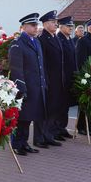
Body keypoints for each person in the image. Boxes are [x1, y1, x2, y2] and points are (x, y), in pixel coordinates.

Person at [9, 13, 46, 156]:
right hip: (25, 87)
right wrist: (21, 88)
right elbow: (16, 68)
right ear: (24, 27)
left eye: (36, 25)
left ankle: (24, 143)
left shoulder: (36, 42)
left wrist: (43, 83)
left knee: (29, 117)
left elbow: (40, 65)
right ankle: (17, 144)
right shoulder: (18, 43)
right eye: (33, 25)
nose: (36, 28)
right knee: (21, 117)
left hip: (36, 86)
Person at [37, 10, 66, 147]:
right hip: (49, 80)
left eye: (56, 22)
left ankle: (49, 134)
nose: (56, 24)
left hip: (58, 79)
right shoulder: (42, 39)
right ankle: (41, 137)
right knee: (46, 110)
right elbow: (42, 62)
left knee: (54, 108)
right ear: (46, 24)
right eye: (53, 22)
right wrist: (45, 81)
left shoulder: (55, 37)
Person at [56, 16, 77, 139]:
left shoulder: (69, 39)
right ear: (61, 26)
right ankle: (58, 129)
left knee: (66, 105)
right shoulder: (60, 39)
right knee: (61, 105)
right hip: (62, 77)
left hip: (70, 77)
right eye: (68, 26)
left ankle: (62, 127)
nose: (70, 28)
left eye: (71, 26)